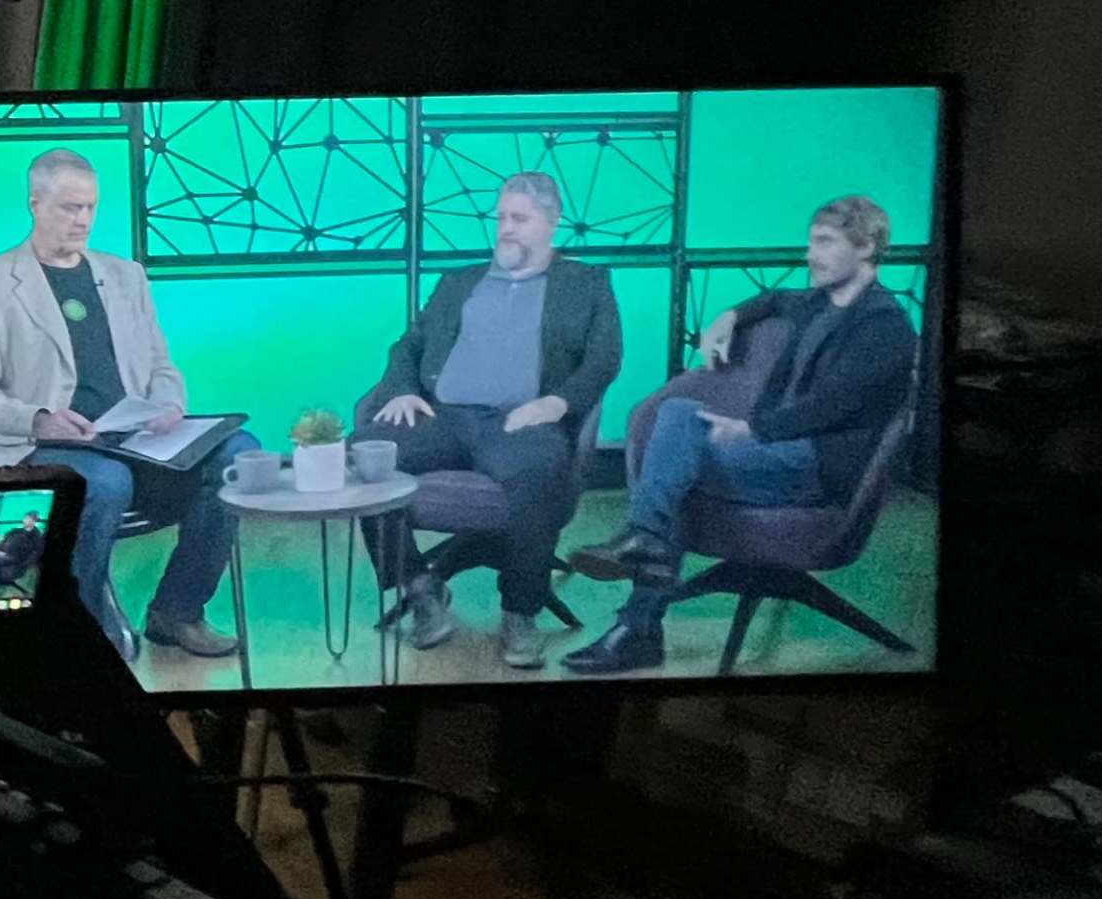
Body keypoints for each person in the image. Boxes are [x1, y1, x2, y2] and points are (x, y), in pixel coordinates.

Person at [561, 195, 915, 675]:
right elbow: (772, 299)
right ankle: (644, 565)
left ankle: (638, 607)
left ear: (867, 246)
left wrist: (753, 431)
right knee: (678, 420)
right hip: (774, 452)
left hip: (815, 466)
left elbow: (833, 404)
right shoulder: (818, 302)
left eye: (825, 243)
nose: (811, 254)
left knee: (675, 460)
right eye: (811, 241)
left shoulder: (885, 326)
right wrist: (729, 316)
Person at [0, 147, 229, 659]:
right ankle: (79, 628)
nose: (83, 220)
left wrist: (169, 403)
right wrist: (41, 420)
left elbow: (162, 368)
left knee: (236, 454)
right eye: (69, 208)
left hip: (133, 437)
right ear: (34, 203)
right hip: (41, 446)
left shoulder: (126, 276)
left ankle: (176, 610)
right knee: (104, 481)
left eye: (90, 208)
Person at [359, 169, 625, 669]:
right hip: (444, 414)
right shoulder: (458, 282)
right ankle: (420, 587)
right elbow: (408, 346)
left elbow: (604, 359)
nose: (505, 228)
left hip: (519, 420)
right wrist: (403, 389)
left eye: (519, 218)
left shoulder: (586, 283)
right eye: (500, 217)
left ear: (551, 221)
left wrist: (557, 404)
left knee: (541, 472)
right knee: (365, 457)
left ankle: (519, 612)